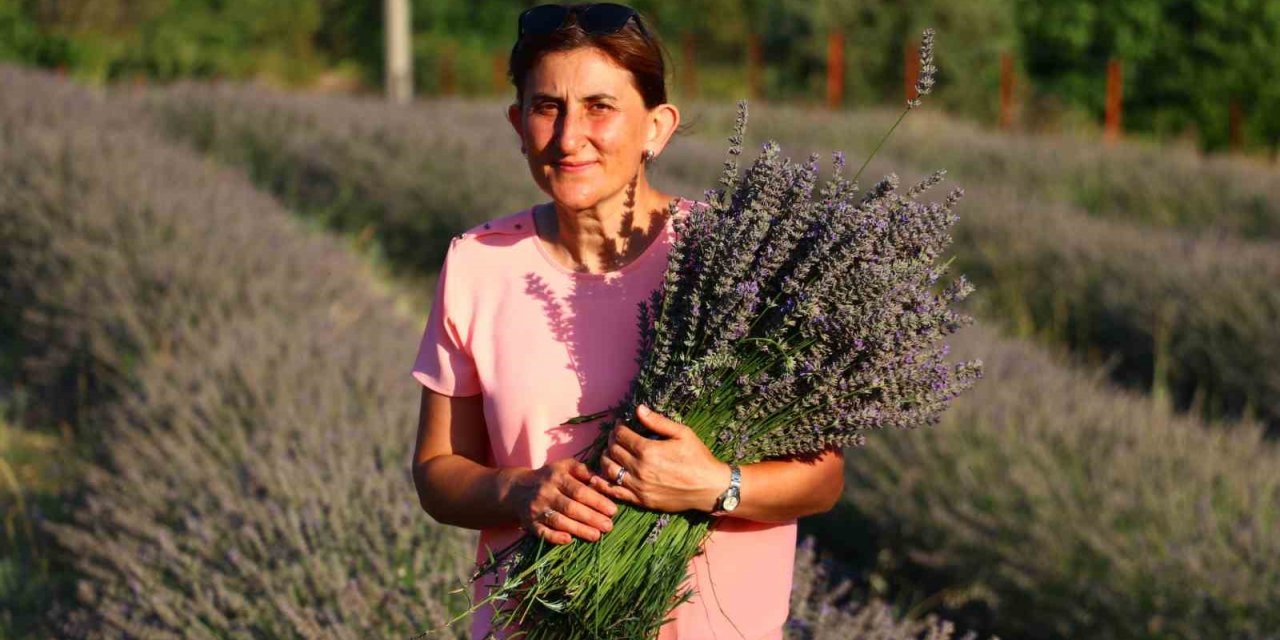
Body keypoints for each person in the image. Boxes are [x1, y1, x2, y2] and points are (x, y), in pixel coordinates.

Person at [409, 3, 844, 638]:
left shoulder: (739, 263)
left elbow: (823, 479)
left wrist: (713, 485)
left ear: (656, 128)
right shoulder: (479, 264)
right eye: (546, 107)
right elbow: (437, 472)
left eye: (599, 107)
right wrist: (518, 492)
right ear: (517, 122)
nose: (568, 136)